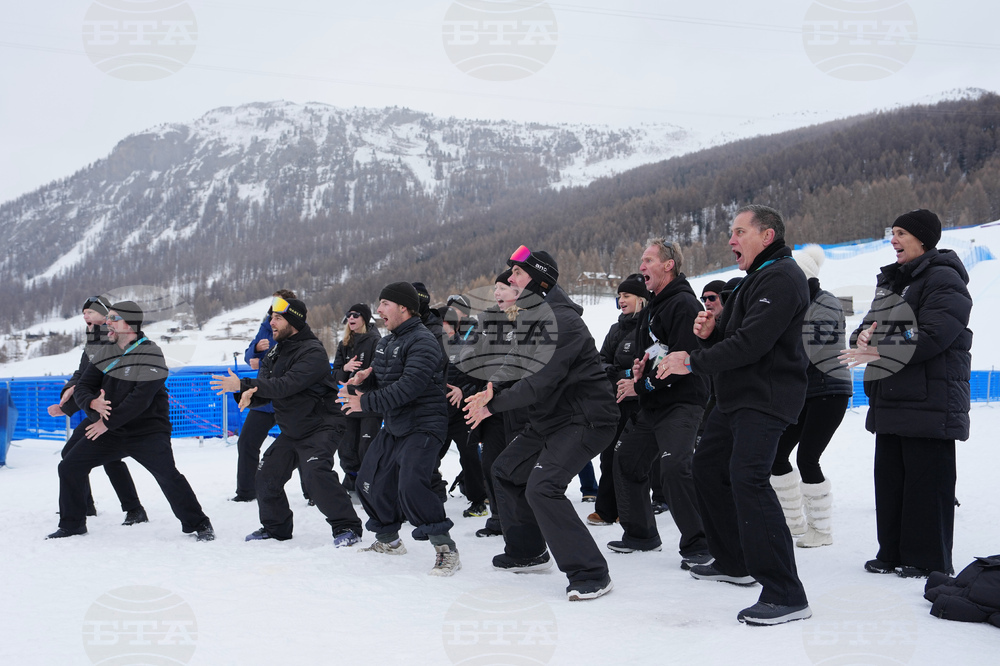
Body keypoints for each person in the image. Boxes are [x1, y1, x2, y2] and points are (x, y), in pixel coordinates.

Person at [656, 204, 812, 626]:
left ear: (766, 236)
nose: (731, 239)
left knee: (749, 479)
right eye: (731, 232)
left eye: (740, 231)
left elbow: (754, 344)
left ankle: (785, 592)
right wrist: (711, 333)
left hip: (766, 398)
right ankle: (733, 561)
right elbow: (736, 339)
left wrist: (691, 359)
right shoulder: (754, 279)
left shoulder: (782, 276)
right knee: (707, 468)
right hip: (737, 397)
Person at [465, 247, 619, 601]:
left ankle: (591, 572)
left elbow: (538, 383)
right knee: (505, 469)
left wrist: (493, 406)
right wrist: (491, 389)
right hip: (551, 420)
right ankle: (528, 552)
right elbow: (513, 368)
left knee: (542, 486)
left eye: (517, 275)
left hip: (586, 419)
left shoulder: (561, 321)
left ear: (538, 280)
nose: (510, 281)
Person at [840, 209, 972, 579]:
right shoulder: (893, 283)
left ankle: (927, 558)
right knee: (891, 482)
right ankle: (892, 551)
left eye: (901, 233)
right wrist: (861, 337)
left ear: (924, 239)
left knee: (926, 486)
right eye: (891, 232)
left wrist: (878, 345)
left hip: (930, 400)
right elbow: (866, 330)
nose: (893, 240)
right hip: (892, 397)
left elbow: (934, 335)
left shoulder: (944, 279)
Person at [48, 301, 214, 542]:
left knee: (167, 475)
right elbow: (84, 384)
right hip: (111, 429)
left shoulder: (151, 353)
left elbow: (140, 399)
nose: (108, 322)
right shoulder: (106, 350)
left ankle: (199, 523)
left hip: (147, 431)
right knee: (69, 466)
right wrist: (91, 404)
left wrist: (106, 422)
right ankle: (73, 524)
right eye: (108, 318)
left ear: (130, 324)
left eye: (114, 318)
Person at [212, 296, 363, 547]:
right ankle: (276, 528)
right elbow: (269, 388)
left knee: (316, 474)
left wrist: (245, 384)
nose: (271, 322)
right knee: (266, 475)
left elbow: (286, 385)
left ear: (293, 320)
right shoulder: (276, 349)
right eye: (271, 317)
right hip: (293, 427)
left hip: (322, 425)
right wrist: (248, 395)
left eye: (278, 318)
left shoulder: (312, 351)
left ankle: (346, 527)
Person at [337, 282, 460, 576]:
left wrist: (365, 402)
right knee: (369, 480)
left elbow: (410, 387)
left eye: (384, 304)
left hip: (423, 424)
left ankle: (446, 549)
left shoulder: (424, 341)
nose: (378, 311)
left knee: (412, 485)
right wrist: (364, 380)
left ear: (403, 307)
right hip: (395, 425)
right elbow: (385, 380)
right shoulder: (386, 342)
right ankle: (389, 541)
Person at [608, 244, 711, 571]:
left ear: (668, 265)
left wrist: (640, 384)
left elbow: (682, 359)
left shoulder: (682, 303)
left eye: (648, 260)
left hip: (682, 401)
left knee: (674, 468)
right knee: (627, 460)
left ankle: (702, 544)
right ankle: (641, 535)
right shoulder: (655, 307)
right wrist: (640, 372)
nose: (642, 266)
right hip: (654, 402)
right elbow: (656, 354)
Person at [769, 245, 851, 548]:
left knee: (807, 457)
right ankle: (792, 522)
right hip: (805, 391)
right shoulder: (797, 304)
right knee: (777, 455)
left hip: (830, 389)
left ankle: (821, 530)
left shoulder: (825, 301)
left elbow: (813, 342)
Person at [47, 295, 145, 524]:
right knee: (92, 458)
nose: (85, 316)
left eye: (90, 312)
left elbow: (99, 375)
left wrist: (69, 404)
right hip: (98, 409)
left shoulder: (112, 338)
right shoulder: (95, 338)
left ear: (105, 314)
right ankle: (96, 506)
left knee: (82, 458)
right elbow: (83, 372)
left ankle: (128, 509)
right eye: (83, 313)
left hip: (113, 409)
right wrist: (69, 392)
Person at [588, 274, 647, 527]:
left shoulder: (647, 326)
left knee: (631, 458)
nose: (621, 300)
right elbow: (601, 360)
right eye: (620, 296)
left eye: (627, 296)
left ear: (641, 299)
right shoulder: (615, 329)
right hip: (614, 401)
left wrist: (622, 372)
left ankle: (628, 509)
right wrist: (609, 370)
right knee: (608, 455)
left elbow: (647, 364)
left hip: (639, 401)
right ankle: (605, 509)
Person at [230, 289, 297, 502]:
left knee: (302, 443)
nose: (274, 315)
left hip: (287, 397)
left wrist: (266, 355)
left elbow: (293, 353)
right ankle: (246, 492)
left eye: (279, 306)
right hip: (263, 397)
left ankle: (311, 492)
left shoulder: (296, 326)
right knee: (247, 442)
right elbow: (249, 354)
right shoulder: (266, 324)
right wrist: (257, 349)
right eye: (273, 305)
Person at [332, 302, 382, 492]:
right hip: (348, 402)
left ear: (364, 318)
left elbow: (381, 374)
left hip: (369, 404)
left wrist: (363, 377)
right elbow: (334, 375)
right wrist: (344, 369)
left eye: (355, 315)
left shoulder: (377, 342)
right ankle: (352, 482)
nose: (351, 318)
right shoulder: (344, 344)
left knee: (366, 447)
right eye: (349, 315)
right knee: (346, 448)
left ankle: (369, 483)